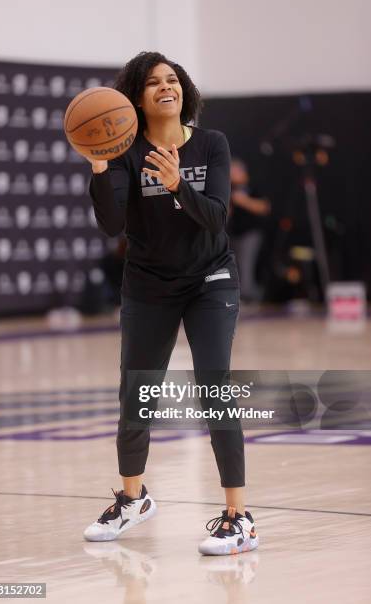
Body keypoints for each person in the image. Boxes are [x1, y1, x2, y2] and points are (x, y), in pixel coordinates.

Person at [82, 52, 259, 556]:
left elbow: (218, 218)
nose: (167, 86)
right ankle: (133, 501)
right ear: (136, 97)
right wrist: (99, 166)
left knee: (213, 388)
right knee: (135, 392)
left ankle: (238, 517)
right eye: (155, 82)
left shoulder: (211, 144)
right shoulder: (124, 151)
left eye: (173, 80)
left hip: (211, 280)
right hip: (149, 284)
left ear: (184, 91)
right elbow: (112, 224)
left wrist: (179, 183)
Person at [227, 159, 271, 302]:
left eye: (233, 171)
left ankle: (250, 297)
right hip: (234, 234)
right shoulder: (229, 188)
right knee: (235, 266)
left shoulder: (253, 186)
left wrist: (244, 201)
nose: (230, 174)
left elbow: (264, 207)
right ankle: (239, 296)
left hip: (251, 233)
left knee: (247, 265)